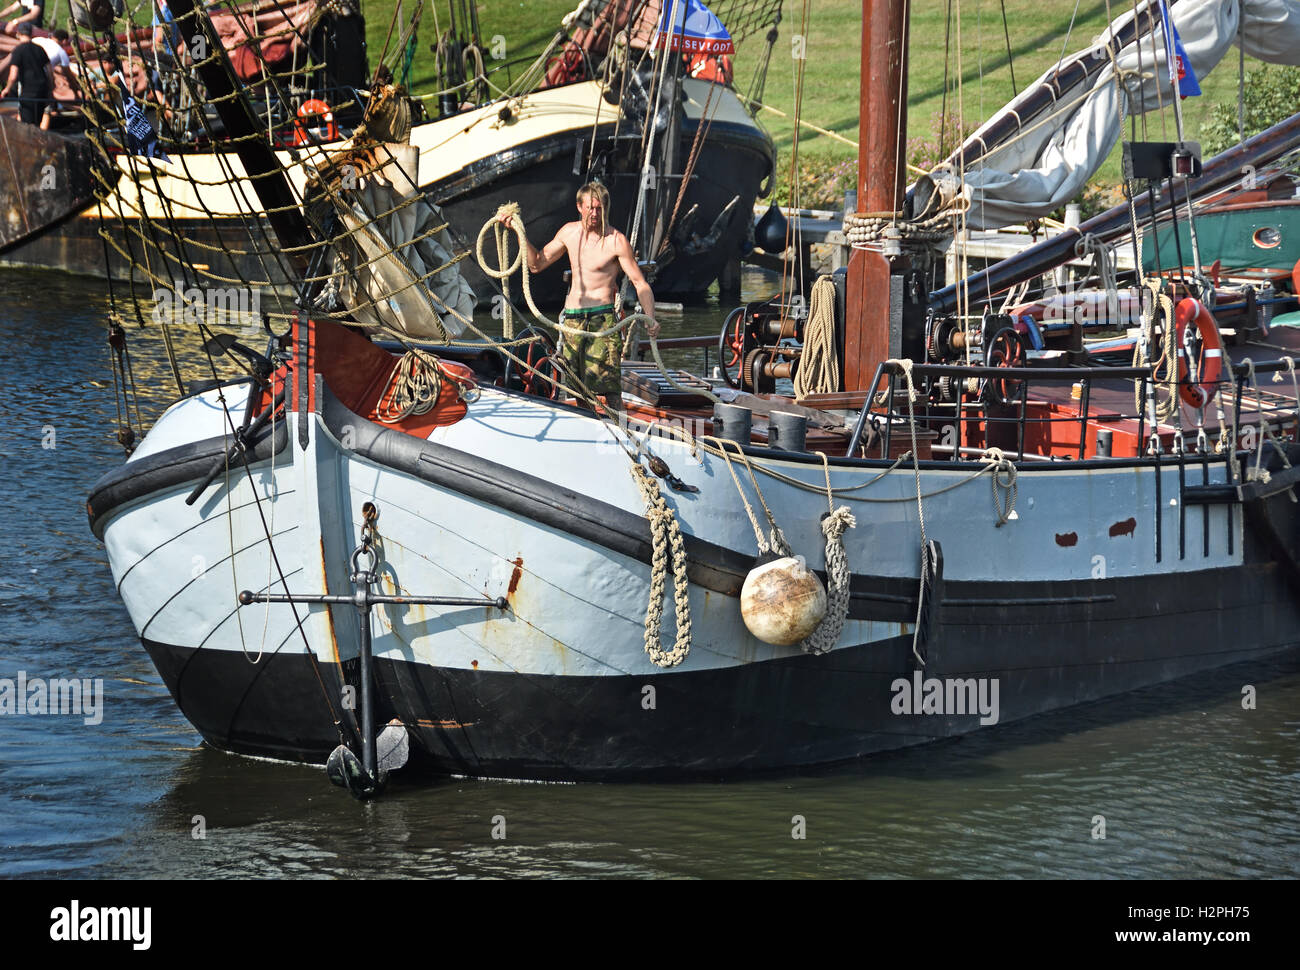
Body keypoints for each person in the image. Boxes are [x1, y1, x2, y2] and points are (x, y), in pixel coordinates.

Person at [499, 182, 659, 411]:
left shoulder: (616, 241)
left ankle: (619, 428)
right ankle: (587, 424)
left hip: (602, 321)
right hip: (573, 321)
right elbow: (536, 264)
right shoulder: (569, 233)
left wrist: (651, 317)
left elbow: (639, 283)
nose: (595, 213)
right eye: (590, 208)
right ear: (579, 207)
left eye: (599, 208)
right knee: (576, 387)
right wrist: (518, 231)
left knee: (609, 388)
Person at [2, 21, 53, 129]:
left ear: (18, 34)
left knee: (27, 125)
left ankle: (29, 144)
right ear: (31, 33)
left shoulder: (18, 51)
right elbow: (49, 71)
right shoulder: (40, 49)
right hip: (42, 90)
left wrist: (7, 89)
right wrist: (50, 89)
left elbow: (13, 75)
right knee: (37, 123)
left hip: (28, 92)